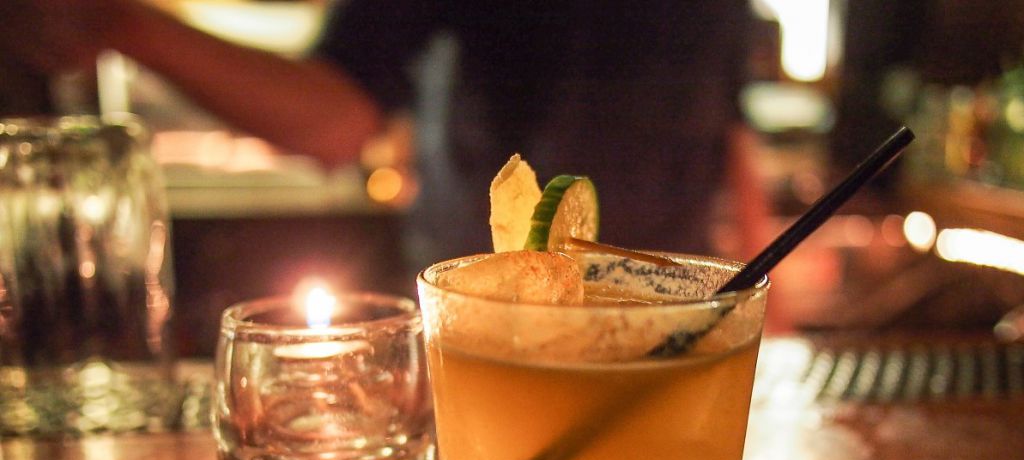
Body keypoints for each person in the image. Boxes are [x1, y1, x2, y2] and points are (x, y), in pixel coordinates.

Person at [1, 0, 766, 270]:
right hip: (490, 325)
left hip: (676, 319)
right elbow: (337, 121)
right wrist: (125, 26)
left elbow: (729, 129)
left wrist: (769, 304)